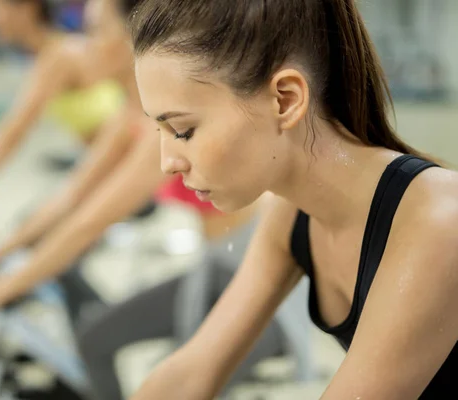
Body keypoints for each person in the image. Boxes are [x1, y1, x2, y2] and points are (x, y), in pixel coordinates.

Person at [0, 0, 315, 397]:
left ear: (133, 36)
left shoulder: (163, 122)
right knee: (99, 339)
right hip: (213, 269)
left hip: (258, 285)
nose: (86, 46)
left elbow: (89, 223)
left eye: (97, 31)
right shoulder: (129, 116)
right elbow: (71, 196)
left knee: (134, 363)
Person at [124, 0, 458, 399]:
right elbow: (188, 376)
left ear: (285, 99)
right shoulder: (292, 214)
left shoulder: (438, 222)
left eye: (182, 131)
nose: (168, 163)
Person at [0, 0, 132, 212]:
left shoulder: (60, 56)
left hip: (129, 180)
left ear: (27, 8)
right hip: (108, 176)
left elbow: (15, 130)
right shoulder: (56, 53)